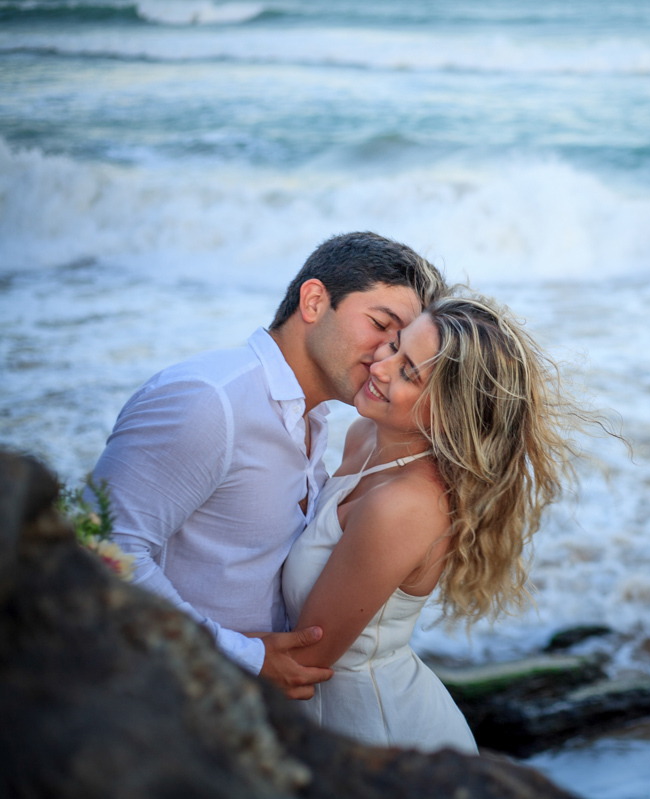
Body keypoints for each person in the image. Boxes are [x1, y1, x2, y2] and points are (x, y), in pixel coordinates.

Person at [92, 232, 445, 699]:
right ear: (315, 301)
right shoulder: (210, 400)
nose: (385, 355)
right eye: (381, 325)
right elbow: (103, 551)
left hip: (233, 712)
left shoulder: (313, 416)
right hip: (167, 699)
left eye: (400, 345)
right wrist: (243, 657)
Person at [281, 291, 587, 753]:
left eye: (408, 373)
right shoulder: (367, 437)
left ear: (447, 414)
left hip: (376, 736)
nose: (380, 367)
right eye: (395, 345)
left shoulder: (404, 506)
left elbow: (305, 662)